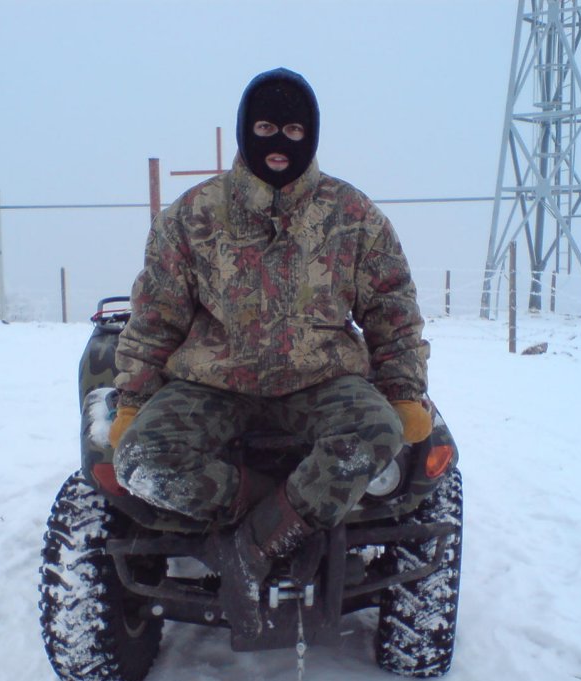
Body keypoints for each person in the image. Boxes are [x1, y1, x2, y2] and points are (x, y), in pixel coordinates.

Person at [110, 67, 431, 638]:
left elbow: (393, 311)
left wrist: (403, 392)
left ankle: (251, 549)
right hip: (212, 384)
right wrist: (133, 399)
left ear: (311, 135)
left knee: (379, 433)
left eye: (293, 131)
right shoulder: (191, 215)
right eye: (264, 128)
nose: (279, 144)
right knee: (138, 462)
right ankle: (278, 516)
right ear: (244, 130)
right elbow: (155, 317)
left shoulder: (353, 216)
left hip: (321, 380)